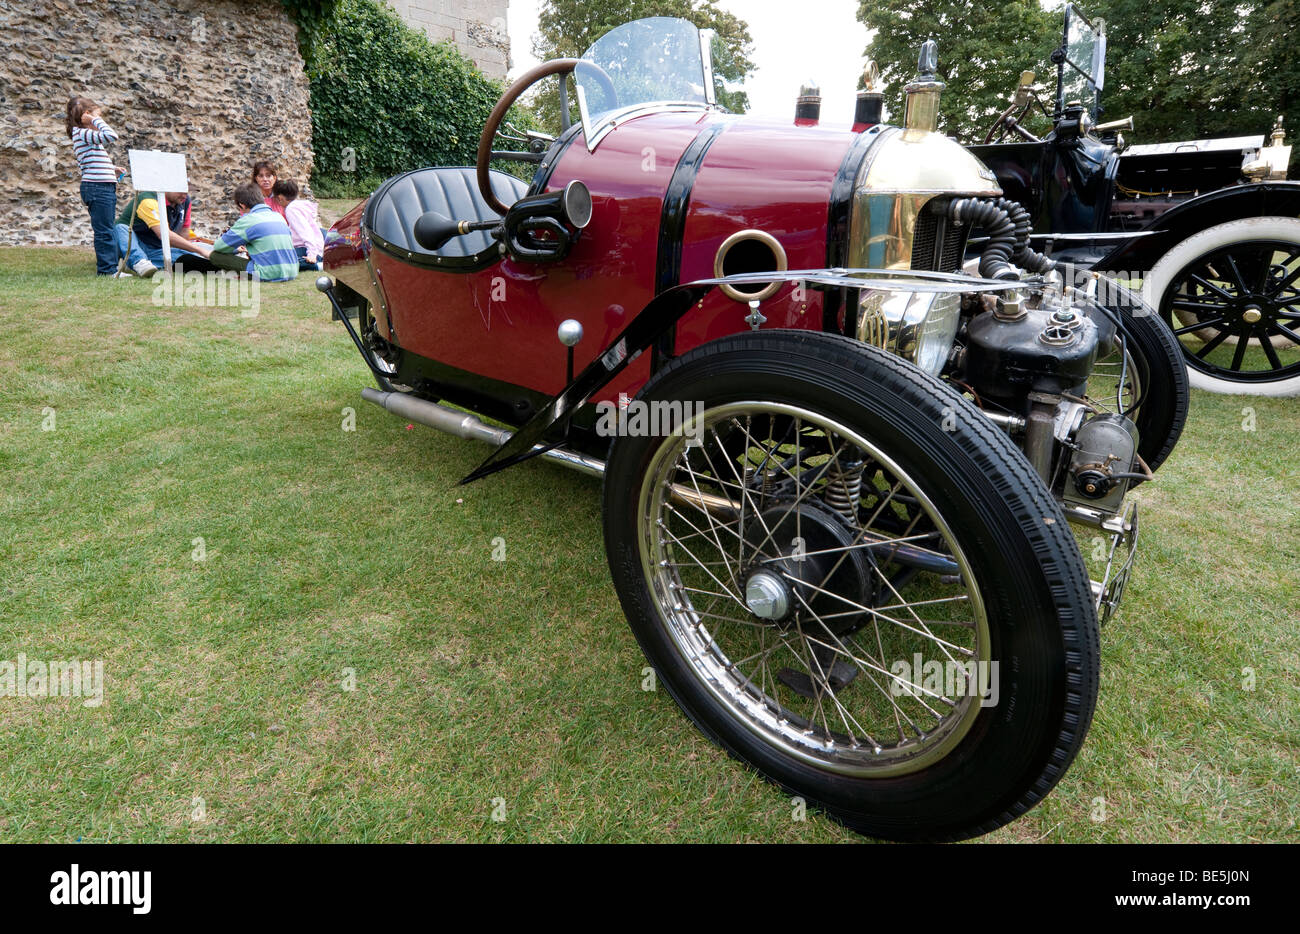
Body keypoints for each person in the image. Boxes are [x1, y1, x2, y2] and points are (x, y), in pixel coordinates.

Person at [67, 96, 124, 276]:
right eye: (97, 116)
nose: (99, 121)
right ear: (86, 116)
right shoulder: (82, 132)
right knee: (105, 231)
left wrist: (111, 168)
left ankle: (111, 268)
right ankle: (107, 271)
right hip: (97, 188)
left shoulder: (86, 137)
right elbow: (111, 135)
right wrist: (95, 120)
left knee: (107, 228)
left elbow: (90, 160)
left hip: (102, 187)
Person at [209, 183, 299, 282]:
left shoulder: (248, 220)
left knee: (215, 256)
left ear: (242, 205)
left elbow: (218, 246)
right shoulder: (278, 216)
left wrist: (235, 249)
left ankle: (243, 276)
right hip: (292, 271)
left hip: (269, 274)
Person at [113, 190, 215, 276]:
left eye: (186, 191)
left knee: (189, 257)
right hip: (135, 244)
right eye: (180, 191)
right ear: (166, 186)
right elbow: (163, 234)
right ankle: (137, 261)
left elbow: (184, 231)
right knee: (121, 228)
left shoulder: (185, 200)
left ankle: (220, 266)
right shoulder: (148, 200)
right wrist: (200, 250)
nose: (184, 195)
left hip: (158, 249)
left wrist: (194, 251)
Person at [271, 179, 325, 270]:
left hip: (307, 249)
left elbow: (305, 231)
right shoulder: (299, 205)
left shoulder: (291, 209)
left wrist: (312, 254)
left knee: (279, 260)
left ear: (280, 198)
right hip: (313, 248)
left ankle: (317, 265)